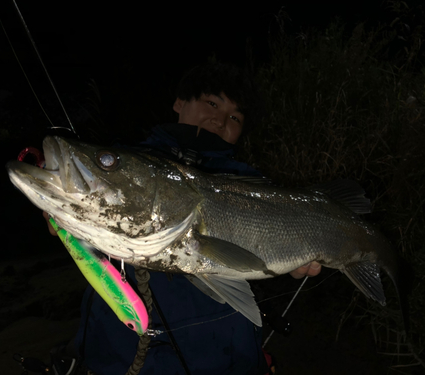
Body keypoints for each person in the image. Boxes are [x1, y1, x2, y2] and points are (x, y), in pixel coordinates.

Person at [44, 63, 321, 374]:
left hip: (225, 351)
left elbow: (259, 256)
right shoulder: (129, 157)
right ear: (179, 103)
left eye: (235, 117)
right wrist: (61, 212)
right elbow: (79, 214)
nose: (220, 119)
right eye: (212, 103)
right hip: (120, 350)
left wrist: (294, 258)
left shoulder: (250, 183)